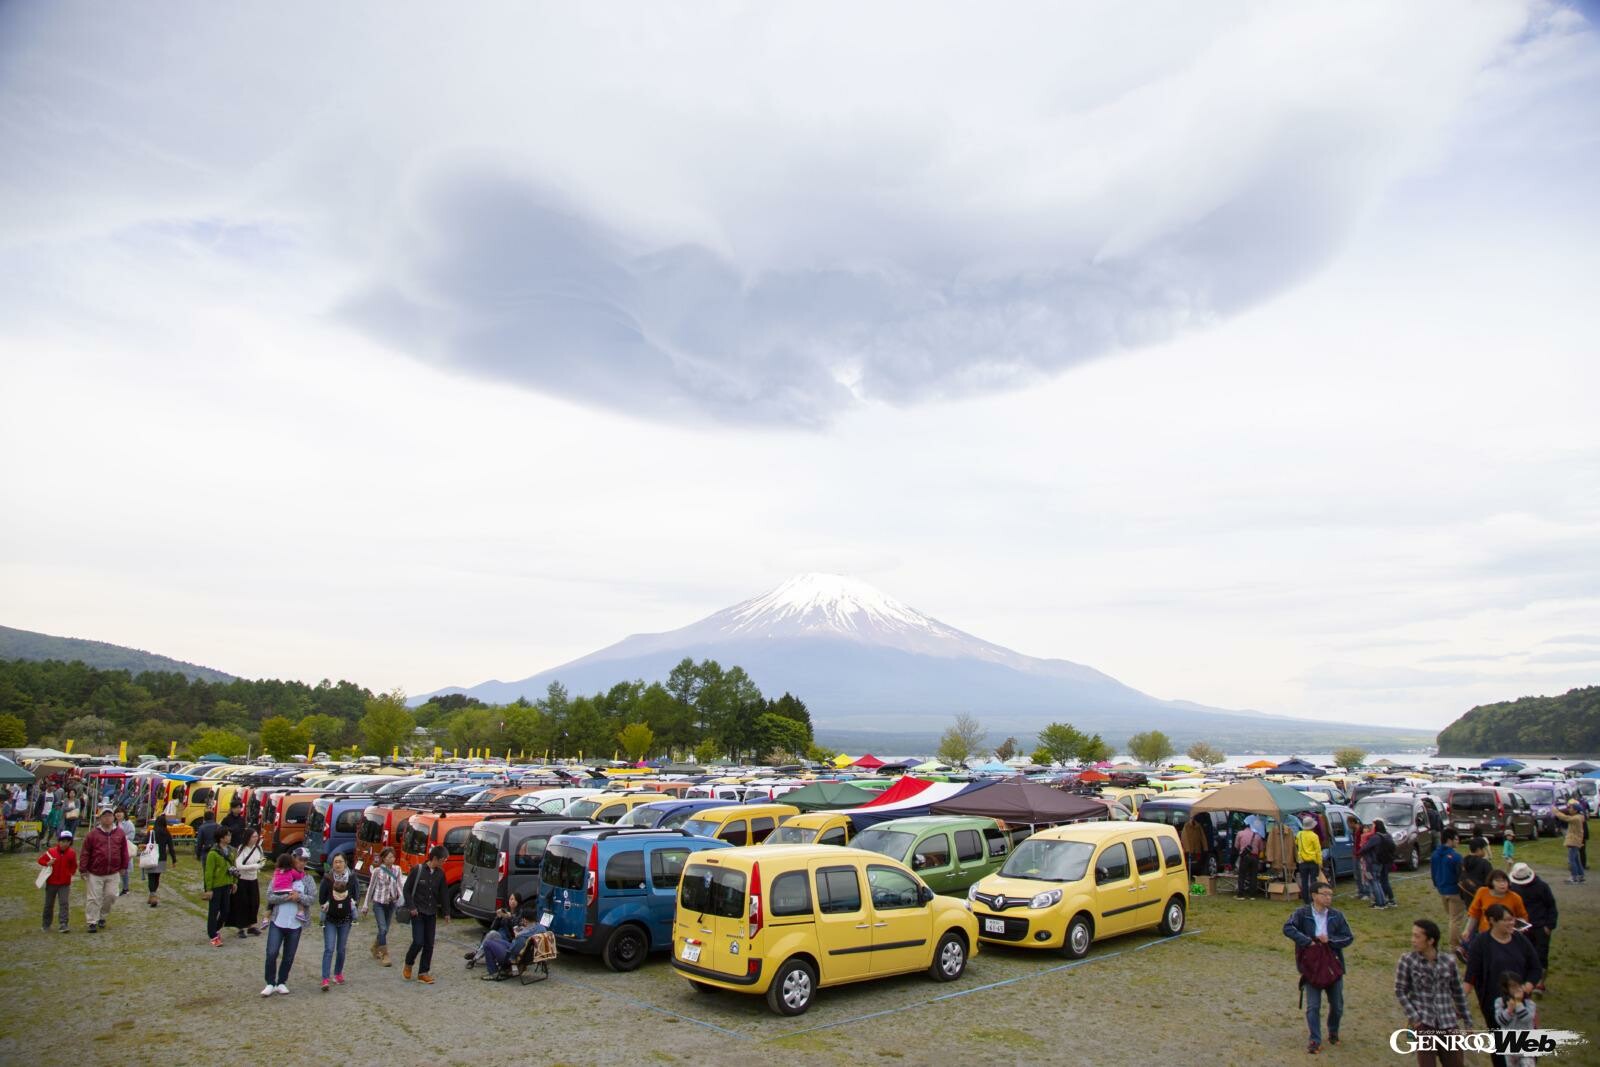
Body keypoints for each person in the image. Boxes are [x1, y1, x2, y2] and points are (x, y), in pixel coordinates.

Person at [1463, 904, 1542, 1067]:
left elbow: (1535, 967)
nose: (1511, 923)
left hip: (1522, 1002)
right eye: (1506, 920)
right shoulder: (1480, 943)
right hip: (1495, 1004)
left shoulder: (1520, 940)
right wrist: (1459, 1000)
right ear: (1492, 921)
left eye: (1512, 919)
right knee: (1502, 1049)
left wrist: (1527, 986)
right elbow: (1471, 976)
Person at [1283, 880, 1354, 1055]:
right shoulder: (1302, 914)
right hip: (1312, 966)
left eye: (1330, 895)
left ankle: (1333, 1031)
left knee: (1337, 1005)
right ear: (1314, 896)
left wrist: (1329, 940)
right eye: (1325, 894)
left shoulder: (1337, 916)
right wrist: (1308, 941)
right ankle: (1314, 1039)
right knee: (1313, 1006)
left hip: (1332, 965)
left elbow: (1348, 937)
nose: (1329, 898)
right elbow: (1287, 928)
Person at [1393, 918, 1472, 1067]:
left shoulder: (1448, 962)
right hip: (1424, 1023)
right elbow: (1400, 990)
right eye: (1412, 935)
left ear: (1430, 941)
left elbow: (1458, 992)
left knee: (1455, 1063)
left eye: (1417, 936)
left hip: (1448, 1022)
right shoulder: (1407, 960)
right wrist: (1415, 1018)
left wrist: (1467, 1021)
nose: (1413, 940)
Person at [262, 849, 316, 996]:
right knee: (272, 952)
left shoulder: (308, 879)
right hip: (277, 920)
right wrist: (286, 897)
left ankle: (281, 982)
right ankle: (270, 982)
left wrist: (298, 897)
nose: (302, 863)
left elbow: (312, 899)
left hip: (295, 923)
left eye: (305, 860)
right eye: (300, 859)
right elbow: (270, 896)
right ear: (293, 859)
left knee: (289, 955)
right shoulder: (281, 873)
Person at [402, 844, 450, 984]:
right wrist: (411, 906)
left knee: (429, 943)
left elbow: (444, 894)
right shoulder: (418, 870)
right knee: (418, 941)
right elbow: (406, 890)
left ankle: (423, 972)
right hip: (417, 912)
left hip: (431, 912)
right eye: (442, 860)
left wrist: (446, 911)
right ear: (435, 858)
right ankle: (408, 962)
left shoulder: (440, 874)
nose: (443, 863)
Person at [1507, 863, 1556, 993]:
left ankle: (1540, 983)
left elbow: (1551, 905)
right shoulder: (1513, 888)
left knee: (1541, 954)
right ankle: (1525, 979)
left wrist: (1549, 925)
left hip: (1540, 926)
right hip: (1522, 926)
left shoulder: (1542, 887)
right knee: (1522, 954)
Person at [80, 804, 128, 933]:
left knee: (111, 896)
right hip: (95, 872)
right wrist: (83, 869)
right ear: (100, 818)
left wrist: (124, 866)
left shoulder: (119, 833)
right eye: (105, 816)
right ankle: (91, 921)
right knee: (94, 898)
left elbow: (124, 851)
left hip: (113, 872)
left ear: (113, 818)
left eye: (110, 815)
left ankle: (102, 916)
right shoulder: (93, 834)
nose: (107, 818)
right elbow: (85, 852)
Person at [319, 853, 357, 991]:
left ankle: (338, 973)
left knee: (341, 949)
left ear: (345, 863)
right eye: (335, 862)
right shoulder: (328, 879)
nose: (338, 864)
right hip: (330, 919)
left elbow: (356, 895)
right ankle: (325, 978)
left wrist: (351, 909)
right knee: (329, 948)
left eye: (340, 862)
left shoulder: (351, 878)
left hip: (345, 919)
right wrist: (327, 906)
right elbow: (321, 897)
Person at [361, 846, 403, 967]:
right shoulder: (377, 871)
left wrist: (402, 899)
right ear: (383, 859)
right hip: (379, 903)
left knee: (385, 930)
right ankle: (385, 954)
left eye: (393, 856)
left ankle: (375, 947)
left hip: (391, 903)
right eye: (389, 857)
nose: (392, 859)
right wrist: (365, 905)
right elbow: (371, 888)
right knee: (383, 928)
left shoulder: (397, 869)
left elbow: (399, 886)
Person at [1464, 870, 1527, 947]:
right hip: (1485, 935)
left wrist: (1520, 928)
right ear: (1491, 882)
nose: (1502, 884)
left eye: (1504, 881)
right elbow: (1474, 914)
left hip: (1506, 938)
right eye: (1498, 881)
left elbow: (1522, 916)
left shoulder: (1515, 898)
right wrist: (1467, 930)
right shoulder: (1482, 892)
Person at [466, 892, 524, 968]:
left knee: (491, 934)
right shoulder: (505, 910)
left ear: (518, 902)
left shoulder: (520, 913)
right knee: (491, 934)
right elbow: (493, 927)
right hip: (497, 934)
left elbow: (515, 928)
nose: (512, 901)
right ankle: (475, 957)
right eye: (511, 899)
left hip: (508, 938)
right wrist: (498, 917)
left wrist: (509, 918)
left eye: (514, 900)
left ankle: (475, 957)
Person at [1493, 973, 1538, 1067]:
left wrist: (1518, 1004)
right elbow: (1500, 1021)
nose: (1517, 989)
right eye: (1513, 987)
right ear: (1506, 988)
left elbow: (1527, 1018)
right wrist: (1509, 1010)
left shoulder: (1530, 1004)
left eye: (1519, 985)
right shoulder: (1499, 1002)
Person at [203, 826, 238, 946]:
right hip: (216, 886)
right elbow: (208, 872)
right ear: (221, 838)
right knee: (213, 911)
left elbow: (233, 867)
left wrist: (234, 882)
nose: (230, 837)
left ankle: (216, 929)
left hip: (227, 884)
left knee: (225, 911)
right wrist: (208, 889)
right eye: (227, 835)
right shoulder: (213, 853)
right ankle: (212, 935)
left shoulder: (231, 851)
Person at [37, 830, 78, 933]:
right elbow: (40, 860)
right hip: (51, 882)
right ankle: (46, 924)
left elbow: (73, 866)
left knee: (64, 903)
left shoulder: (72, 853)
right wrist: (48, 863)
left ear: (70, 842)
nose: (65, 843)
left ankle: (63, 924)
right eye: (63, 841)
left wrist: (70, 874)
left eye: (68, 841)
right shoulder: (51, 851)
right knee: (48, 904)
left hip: (64, 883)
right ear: (59, 841)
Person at [1457, 838, 1493, 944]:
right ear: (1478, 849)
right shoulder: (1484, 864)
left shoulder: (1463, 862)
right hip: (1482, 898)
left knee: (1471, 920)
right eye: (1484, 849)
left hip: (1467, 896)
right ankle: (1472, 946)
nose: (1485, 851)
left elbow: (1460, 878)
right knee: (1482, 924)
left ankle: (1467, 944)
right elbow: (1490, 882)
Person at [229, 828, 264, 937]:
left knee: (254, 903)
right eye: (253, 836)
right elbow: (239, 866)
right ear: (248, 837)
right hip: (242, 880)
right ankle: (240, 927)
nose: (256, 838)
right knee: (242, 904)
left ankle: (251, 926)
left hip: (253, 879)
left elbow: (262, 860)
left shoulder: (258, 848)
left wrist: (260, 865)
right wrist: (254, 866)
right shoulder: (241, 849)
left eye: (256, 836)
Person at [1430, 829, 1464, 936]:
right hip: (1455, 891)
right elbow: (1461, 875)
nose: (1458, 841)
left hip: (1442, 890)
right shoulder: (1456, 857)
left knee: (1451, 918)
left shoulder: (1435, 855)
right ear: (1449, 840)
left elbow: (1433, 872)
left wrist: (1437, 884)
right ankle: (1456, 947)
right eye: (1456, 839)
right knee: (1456, 920)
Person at [1361, 818, 1397, 909]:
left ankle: (1379, 902)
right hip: (1381, 862)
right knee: (1379, 881)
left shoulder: (1375, 837)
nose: (1371, 827)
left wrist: (1362, 847)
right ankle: (1382, 900)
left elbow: (1365, 848)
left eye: (1373, 826)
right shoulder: (1387, 835)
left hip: (1372, 862)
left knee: (1373, 881)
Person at [145, 814, 177, 907]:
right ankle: (152, 895)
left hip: (151, 857)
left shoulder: (152, 832)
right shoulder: (167, 833)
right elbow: (171, 848)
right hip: (162, 857)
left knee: (151, 877)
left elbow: (144, 841)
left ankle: (153, 895)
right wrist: (174, 860)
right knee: (157, 878)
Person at [1553, 801, 1585, 884]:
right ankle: (1580, 875)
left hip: (1574, 841)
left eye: (1571, 808)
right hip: (1576, 840)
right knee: (1576, 859)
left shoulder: (1576, 818)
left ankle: (1574, 877)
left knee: (1572, 860)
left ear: (1576, 810)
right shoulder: (1579, 817)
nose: (1569, 810)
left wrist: (1556, 812)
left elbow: (1565, 818)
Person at [1295, 816, 1323, 905]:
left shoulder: (1299, 834)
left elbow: (1296, 844)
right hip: (1313, 861)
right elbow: (1318, 850)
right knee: (1313, 881)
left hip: (1302, 861)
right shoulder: (1314, 836)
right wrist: (1320, 862)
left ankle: (1305, 899)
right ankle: (1313, 898)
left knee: (1304, 881)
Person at [1233, 821, 1263, 899]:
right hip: (1254, 857)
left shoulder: (1240, 833)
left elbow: (1236, 846)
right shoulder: (1258, 835)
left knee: (1242, 875)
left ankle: (1241, 894)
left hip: (1244, 856)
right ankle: (1252, 895)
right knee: (1253, 876)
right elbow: (1261, 848)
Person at [115, 808, 136, 896]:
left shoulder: (128, 823)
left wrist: (122, 839)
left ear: (124, 813)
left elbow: (132, 835)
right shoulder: (114, 823)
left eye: (120, 812)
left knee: (125, 868)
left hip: (125, 847)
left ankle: (125, 888)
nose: (118, 814)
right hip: (115, 848)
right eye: (116, 813)